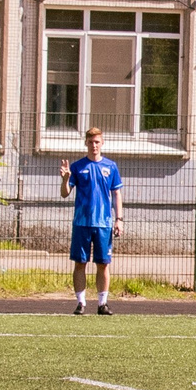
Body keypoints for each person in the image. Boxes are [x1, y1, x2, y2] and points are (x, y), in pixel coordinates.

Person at [61, 125, 124, 315]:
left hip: (104, 223)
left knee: (103, 263)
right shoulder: (77, 167)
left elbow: (117, 194)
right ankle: (81, 303)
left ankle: (102, 303)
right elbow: (65, 194)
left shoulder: (110, 166)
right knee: (80, 263)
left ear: (102, 143)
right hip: (82, 223)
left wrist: (119, 219)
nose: (94, 146)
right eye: (90, 142)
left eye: (97, 142)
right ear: (86, 144)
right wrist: (65, 180)